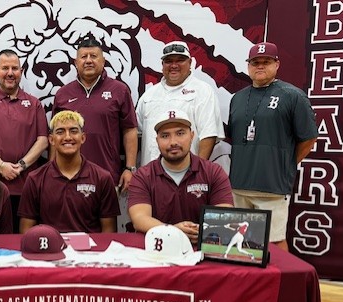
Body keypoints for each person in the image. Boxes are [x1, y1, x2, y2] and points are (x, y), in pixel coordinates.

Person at [228, 42, 318, 251]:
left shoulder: (292, 95)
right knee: (243, 241)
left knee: (274, 241)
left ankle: (282, 282)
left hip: (272, 185)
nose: (260, 66)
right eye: (255, 62)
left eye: (266, 62)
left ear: (277, 64)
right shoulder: (238, 98)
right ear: (248, 66)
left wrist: (286, 163)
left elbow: (308, 138)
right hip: (239, 184)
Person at [0, 49, 49, 232]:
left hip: (27, 186)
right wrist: (1, 165)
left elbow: (43, 140)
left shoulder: (34, 103)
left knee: (25, 239)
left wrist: (20, 165)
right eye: (5, 68)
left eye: (15, 68)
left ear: (21, 71)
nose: (10, 73)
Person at [127, 109, 233, 243]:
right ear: (157, 140)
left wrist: (202, 232)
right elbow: (139, 219)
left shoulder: (213, 172)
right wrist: (173, 232)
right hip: (159, 251)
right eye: (165, 136)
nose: (173, 142)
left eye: (180, 133)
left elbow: (224, 216)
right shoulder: (143, 176)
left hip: (202, 249)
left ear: (192, 135)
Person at [52, 37, 138, 192]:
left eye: (94, 56)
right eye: (84, 57)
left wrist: (130, 168)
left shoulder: (119, 90)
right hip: (68, 177)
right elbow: (54, 136)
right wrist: (51, 172)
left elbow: (130, 130)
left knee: (106, 217)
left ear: (103, 61)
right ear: (76, 63)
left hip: (108, 176)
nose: (89, 61)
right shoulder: (62, 94)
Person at [18, 111, 120, 233]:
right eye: (60, 132)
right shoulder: (35, 179)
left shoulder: (102, 178)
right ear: (51, 140)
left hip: (91, 252)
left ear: (83, 137)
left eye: (73, 131)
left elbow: (109, 232)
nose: (67, 137)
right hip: (50, 250)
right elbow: (26, 232)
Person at [136, 40, 224, 166]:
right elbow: (136, 134)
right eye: (169, 61)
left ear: (190, 63)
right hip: (151, 175)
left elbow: (208, 135)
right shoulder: (148, 95)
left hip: (187, 174)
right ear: (162, 65)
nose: (174, 65)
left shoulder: (203, 91)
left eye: (180, 60)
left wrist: (198, 172)